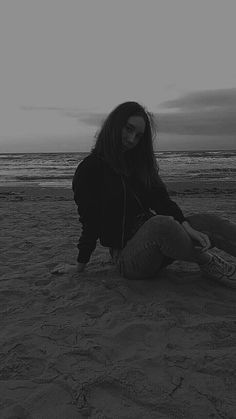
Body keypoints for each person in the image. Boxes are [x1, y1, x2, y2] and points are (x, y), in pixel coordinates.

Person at [72, 101, 236, 287]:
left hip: (159, 245)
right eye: (128, 129)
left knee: (210, 222)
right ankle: (207, 261)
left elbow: (162, 201)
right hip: (129, 258)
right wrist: (80, 265)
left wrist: (186, 225)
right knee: (161, 224)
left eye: (138, 135)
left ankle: (200, 250)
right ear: (114, 125)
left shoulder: (139, 165)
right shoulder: (90, 169)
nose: (132, 139)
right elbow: (89, 221)